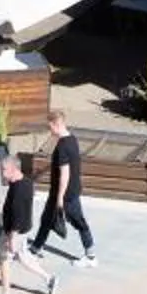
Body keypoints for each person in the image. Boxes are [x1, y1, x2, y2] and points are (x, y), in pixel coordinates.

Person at [30, 108, 95, 265]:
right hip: (65, 191)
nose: (49, 130)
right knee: (46, 219)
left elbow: (65, 174)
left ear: (56, 124)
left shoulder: (62, 147)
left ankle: (91, 256)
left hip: (66, 194)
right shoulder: (72, 139)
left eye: (49, 127)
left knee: (78, 221)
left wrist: (60, 198)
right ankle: (36, 248)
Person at [0, 153, 58, 294]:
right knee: (22, 256)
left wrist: (11, 237)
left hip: (15, 231)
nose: (2, 173)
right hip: (22, 229)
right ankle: (49, 279)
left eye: (4, 170)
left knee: (3, 258)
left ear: (14, 169)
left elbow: (17, 214)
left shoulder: (19, 191)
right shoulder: (25, 182)